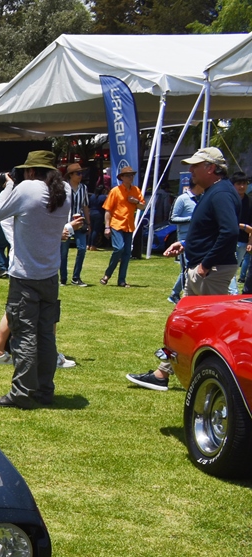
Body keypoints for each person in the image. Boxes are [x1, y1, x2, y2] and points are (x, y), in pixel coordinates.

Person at [127, 147, 240, 390]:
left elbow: (229, 232)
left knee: (208, 329)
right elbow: (212, 231)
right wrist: (187, 244)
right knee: (184, 323)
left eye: (195, 166)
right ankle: (162, 373)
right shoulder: (215, 191)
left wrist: (204, 265)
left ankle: (215, 379)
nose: (190, 171)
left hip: (211, 272)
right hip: (206, 269)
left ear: (210, 168)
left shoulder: (220, 193)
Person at [0, 150, 75, 409]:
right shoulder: (65, 191)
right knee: (46, 335)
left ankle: (22, 392)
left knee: (24, 335)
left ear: (32, 170)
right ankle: (45, 390)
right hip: (50, 273)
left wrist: (8, 187)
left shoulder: (27, 189)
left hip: (25, 275)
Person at [101, 165, 146, 286]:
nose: (130, 177)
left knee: (126, 253)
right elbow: (108, 210)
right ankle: (107, 274)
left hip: (129, 225)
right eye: (127, 175)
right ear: (122, 177)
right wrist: (107, 227)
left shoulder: (136, 190)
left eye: (132, 175)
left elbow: (143, 206)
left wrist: (136, 201)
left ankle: (121, 280)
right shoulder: (115, 191)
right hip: (116, 224)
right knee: (119, 248)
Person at [168, 178, 199, 303]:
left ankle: (174, 293)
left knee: (191, 268)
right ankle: (184, 296)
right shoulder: (182, 199)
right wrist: (190, 219)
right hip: (184, 238)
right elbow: (172, 219)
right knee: (186, 269)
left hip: (197, 237)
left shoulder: (202, 199)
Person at [60, 163, 90, 286]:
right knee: (63, 252)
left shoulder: (84, 188)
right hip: (65, 223)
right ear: (71, 175)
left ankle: (76, 277)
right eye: (78, 173)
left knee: (82, 249)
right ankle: (63, 278)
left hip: (79, 223)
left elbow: (85, 206)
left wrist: (88, 223)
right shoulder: (63, 187)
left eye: (81, 173)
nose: (80, 175)